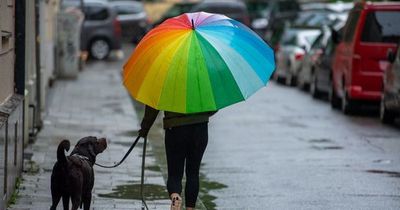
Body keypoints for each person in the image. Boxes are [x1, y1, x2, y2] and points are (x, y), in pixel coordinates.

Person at [138, 105, 216, 210]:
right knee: (193, 173)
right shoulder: (201, 88)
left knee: (174, 174)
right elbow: (213, 106)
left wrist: (145, 128)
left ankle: (175, 196)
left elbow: (153, 105)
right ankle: (190, 208)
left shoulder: (167, 87)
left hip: (175, 128)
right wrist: (202, 115)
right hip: (200, 128)